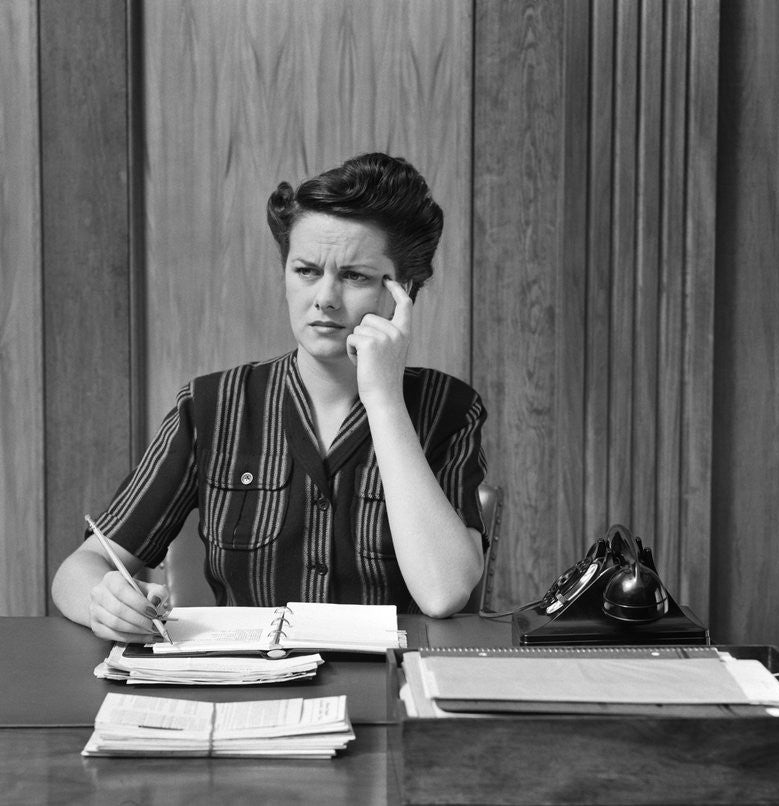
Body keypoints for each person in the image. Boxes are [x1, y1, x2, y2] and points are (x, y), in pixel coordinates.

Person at [52, 152, 488, 642]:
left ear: (401, 291)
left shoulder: (449, 408)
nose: (324, 297)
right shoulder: (212, 406)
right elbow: (81, 566)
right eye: (306, 270)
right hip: (248, 692)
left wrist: (384, 399)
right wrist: (106, 600)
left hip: (393, 691)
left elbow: (443, 592)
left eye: (355, 276)